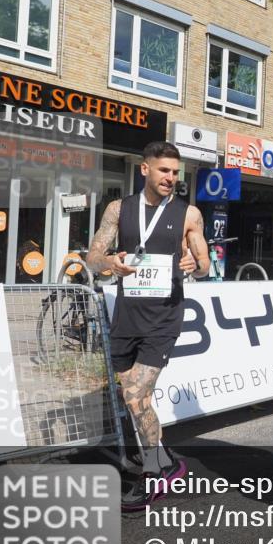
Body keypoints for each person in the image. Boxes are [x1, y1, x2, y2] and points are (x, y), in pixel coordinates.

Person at [87, 141, 210, 511]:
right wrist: (111, 263)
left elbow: (204, 263)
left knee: (135, 396)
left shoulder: (188, 214)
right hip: (126, 317)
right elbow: (92, 257)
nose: (172, 178)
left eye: (176, 172)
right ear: (145, 169)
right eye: (165, 171)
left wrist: (196, 266)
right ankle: (169, 462)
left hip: (164, 318)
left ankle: (155, 475)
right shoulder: (118, 209)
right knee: (138, 399)